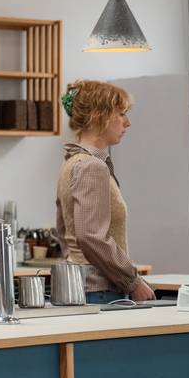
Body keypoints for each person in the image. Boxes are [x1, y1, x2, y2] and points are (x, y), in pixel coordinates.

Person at [55, 80, 155, 304]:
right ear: (99, 117)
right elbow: (91, 236)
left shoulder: (71, 162)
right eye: (121, 114)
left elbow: (64, 231)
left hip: (80, 287)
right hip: (100, 291)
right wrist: (133, 282)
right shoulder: (91, 166)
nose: (127, 123)